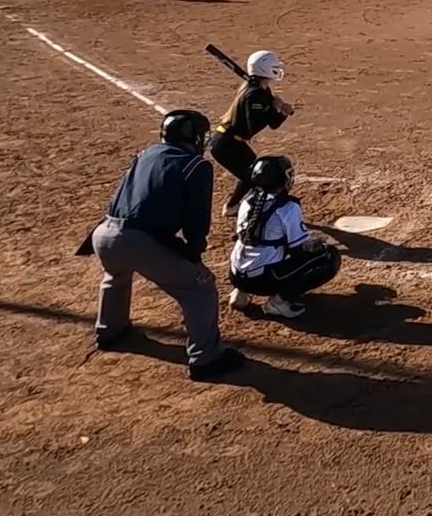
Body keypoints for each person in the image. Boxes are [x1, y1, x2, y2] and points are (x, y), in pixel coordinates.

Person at [84, 109, 245, 381]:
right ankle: (206, 358)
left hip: (104, 235)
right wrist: (194, 258)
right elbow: (196, 221)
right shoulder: (195, 165)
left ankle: (110, 330)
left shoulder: (145, 153)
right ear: (194, 138)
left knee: (116, 275)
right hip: (139, 240)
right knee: (199, 287)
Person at [226, 155, 342, 318]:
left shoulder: (247, 202)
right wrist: (316, 245)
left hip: (235, 275)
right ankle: (280, 302)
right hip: (262, 281)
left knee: (260, 244)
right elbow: (299, 250)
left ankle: (240, 293)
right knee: (328, 256)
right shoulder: (288, 207)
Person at [212, 49, 296, 215]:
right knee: (252, 174)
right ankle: (231, 207)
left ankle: (237, 201)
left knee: (254, 172)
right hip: (225, 143)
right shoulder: (254, 95)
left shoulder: (262, 91)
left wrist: (282, 113)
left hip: (235, 141)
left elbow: (273, 124)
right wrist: (274, 108)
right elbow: (252, 128)